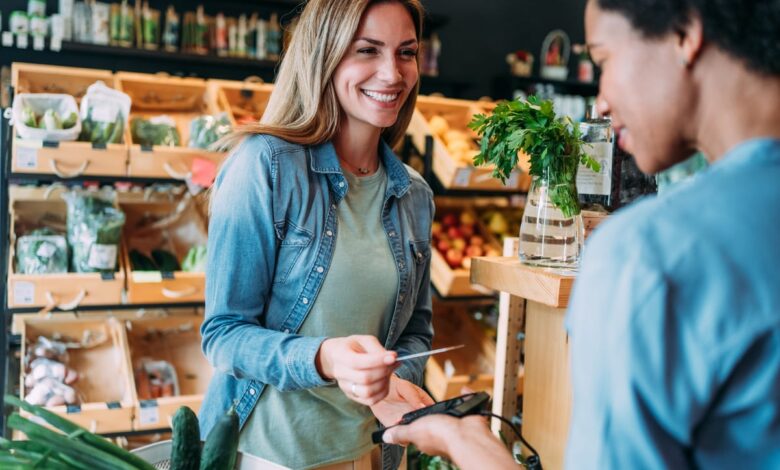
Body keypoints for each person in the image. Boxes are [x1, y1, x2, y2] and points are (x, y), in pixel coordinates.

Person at [384, 0, 780, 468]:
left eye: (604, 60)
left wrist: (468, 446)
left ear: (685, 34)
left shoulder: (648, 255)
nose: (603, 101)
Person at [199, 1, 435, 469]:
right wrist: (324, 359)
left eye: (405, 52)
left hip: (373, 452)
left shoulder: (414, 195)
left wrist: (394, 380)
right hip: (268, 455)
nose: (392, 74)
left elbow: (415, 333)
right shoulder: (264, 166)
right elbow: (223, 335)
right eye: (367, 50)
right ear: (324, 54)